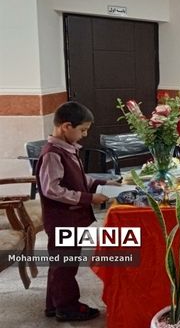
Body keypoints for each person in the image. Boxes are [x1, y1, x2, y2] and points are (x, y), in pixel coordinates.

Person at [36, 101, 118, 321]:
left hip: (70, 218)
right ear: (66, 126)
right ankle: (67, 307)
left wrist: (101, 183)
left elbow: (80, 179)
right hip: (62, 219)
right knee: (65, 266)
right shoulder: (52, 154)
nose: (84, 135)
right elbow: (52, 189)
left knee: (61, 263)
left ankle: (54, 305)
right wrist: (89, 198)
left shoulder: (67, 149)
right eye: (82, 130)